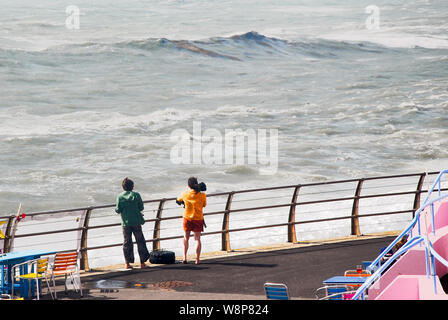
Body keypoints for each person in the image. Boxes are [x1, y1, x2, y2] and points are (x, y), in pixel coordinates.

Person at [115, 177, 150, 269]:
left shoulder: (120, 197)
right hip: (136, 221)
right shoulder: (136, 195)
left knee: (127, 242)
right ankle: (142, 263)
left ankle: (127, 263)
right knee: (140, 241)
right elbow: (141, 207)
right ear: (132, 186)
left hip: (126, 223)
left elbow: (118, 210)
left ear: (123, 187)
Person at [176, 177, 207, 265]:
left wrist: (184, 203)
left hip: (187, 218)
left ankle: (185, 257)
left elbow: (178, 201)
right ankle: (197, 259)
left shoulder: (185, 193)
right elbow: (204, 205)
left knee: (186, 238)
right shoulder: (202, 195)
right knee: (197, 239)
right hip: (198, 218)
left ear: (188, 186)